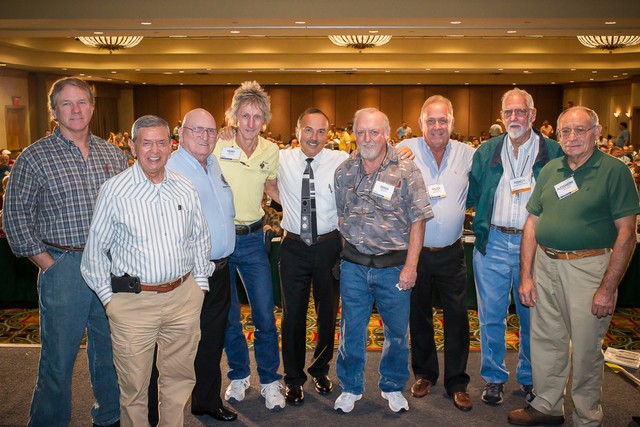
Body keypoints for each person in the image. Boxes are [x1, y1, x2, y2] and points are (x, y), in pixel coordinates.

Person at [3, 77, 125, 427]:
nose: (76, 109)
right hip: (63, 265)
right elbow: (14, 217)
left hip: (108, 267)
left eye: (82, 101)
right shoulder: (34, 157)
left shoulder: (113, 155)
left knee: (109, 351)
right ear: (53, 111)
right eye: (66, 103)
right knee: (58, 357)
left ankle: (110, 417)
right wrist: (48, 264)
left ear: (92, 106)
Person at [508, 106, 640, 426]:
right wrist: (526, 275)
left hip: (589, 269)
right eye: (565, 131)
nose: (571, 137)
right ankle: (547, 406)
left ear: (597, 132)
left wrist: (608, 288)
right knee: (546, 341)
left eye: (580, 130)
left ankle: (586, 417)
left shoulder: (614, 171)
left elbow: (627, 233)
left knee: (585, 350)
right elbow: (532, 223)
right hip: (546, 265)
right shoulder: (551, 169)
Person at [81, 115, 213, 426]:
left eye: (161, 143)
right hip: (133, 305)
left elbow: (200, 238)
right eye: (146, 143)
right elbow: (94, 254)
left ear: (171, 146)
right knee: (134, 391)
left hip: (183, 299)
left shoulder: (184, 186)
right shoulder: (115, 191)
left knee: (179, 385)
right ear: (132, 146)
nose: (154, 150)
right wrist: (110, 302)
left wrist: (199, 286)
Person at [333, 107, 433, 414]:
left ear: (387, 134)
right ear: (354, 134)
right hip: (354, 266)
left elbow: (418, 220)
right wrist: (347, 258)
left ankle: (392, 385)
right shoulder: (344, 171)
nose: (367, 138)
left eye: (374, 132)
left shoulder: (407, 170)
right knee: (351, 332)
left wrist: (411, 266)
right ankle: (350, 386)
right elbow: (341, 217)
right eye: (361, 132)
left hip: (394, 269)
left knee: (397, 334)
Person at [467, 88, 563, 407]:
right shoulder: (487, 150)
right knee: (490, 316)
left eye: (520, 112)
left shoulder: (553, 152)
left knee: (532, 316)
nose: (513, 118)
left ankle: (529, 376)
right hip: (492, 242)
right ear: (501, 116)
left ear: (532, 115)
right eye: (508, 112)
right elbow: (474, 193)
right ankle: (494, 377)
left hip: (534, 245)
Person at [397, 95, 475, 412]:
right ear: (421, 123)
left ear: (452, 123)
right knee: (419, 316)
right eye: (431, 120)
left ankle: (457, 382)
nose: (437, 126)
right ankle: (425, 374)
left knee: (457, 318)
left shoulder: (468, 154)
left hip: (451, 252)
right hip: (415, 253)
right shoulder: (405, 150)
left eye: (443, 120)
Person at [214, 81, 286, 411]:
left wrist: (308, 214)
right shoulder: (218, 144)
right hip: (222, 241)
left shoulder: (270, 151)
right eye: (245, 115)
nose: (250, 123)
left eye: (257, 116)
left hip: (254, 240)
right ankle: (239, 375)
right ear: (234, 117)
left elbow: (273, 187)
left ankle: (270, 380)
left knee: (265, 316)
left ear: (265, 120)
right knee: (229, 317)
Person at [165, 108, 238, 422]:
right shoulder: (170, 168)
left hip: (219, 270)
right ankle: (166, 411)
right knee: (178, 345)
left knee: (211, 339)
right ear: (181, 133)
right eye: (197, 130)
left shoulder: (213, 163)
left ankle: (206, 400)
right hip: (188, 274)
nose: (205, 136)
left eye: (210, 131)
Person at [275, 108, 349, 406]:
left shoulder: (340, 159)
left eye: (321, 131)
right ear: (297, 131)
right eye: (308, 129)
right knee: (292, 315)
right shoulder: (280, 158)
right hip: (293, 247)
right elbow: (261, 175)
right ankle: (293, 379)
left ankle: (320, 370)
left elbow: (374, 157)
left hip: (328, 246)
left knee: (327, 313)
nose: (314, 137)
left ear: (328, 134)